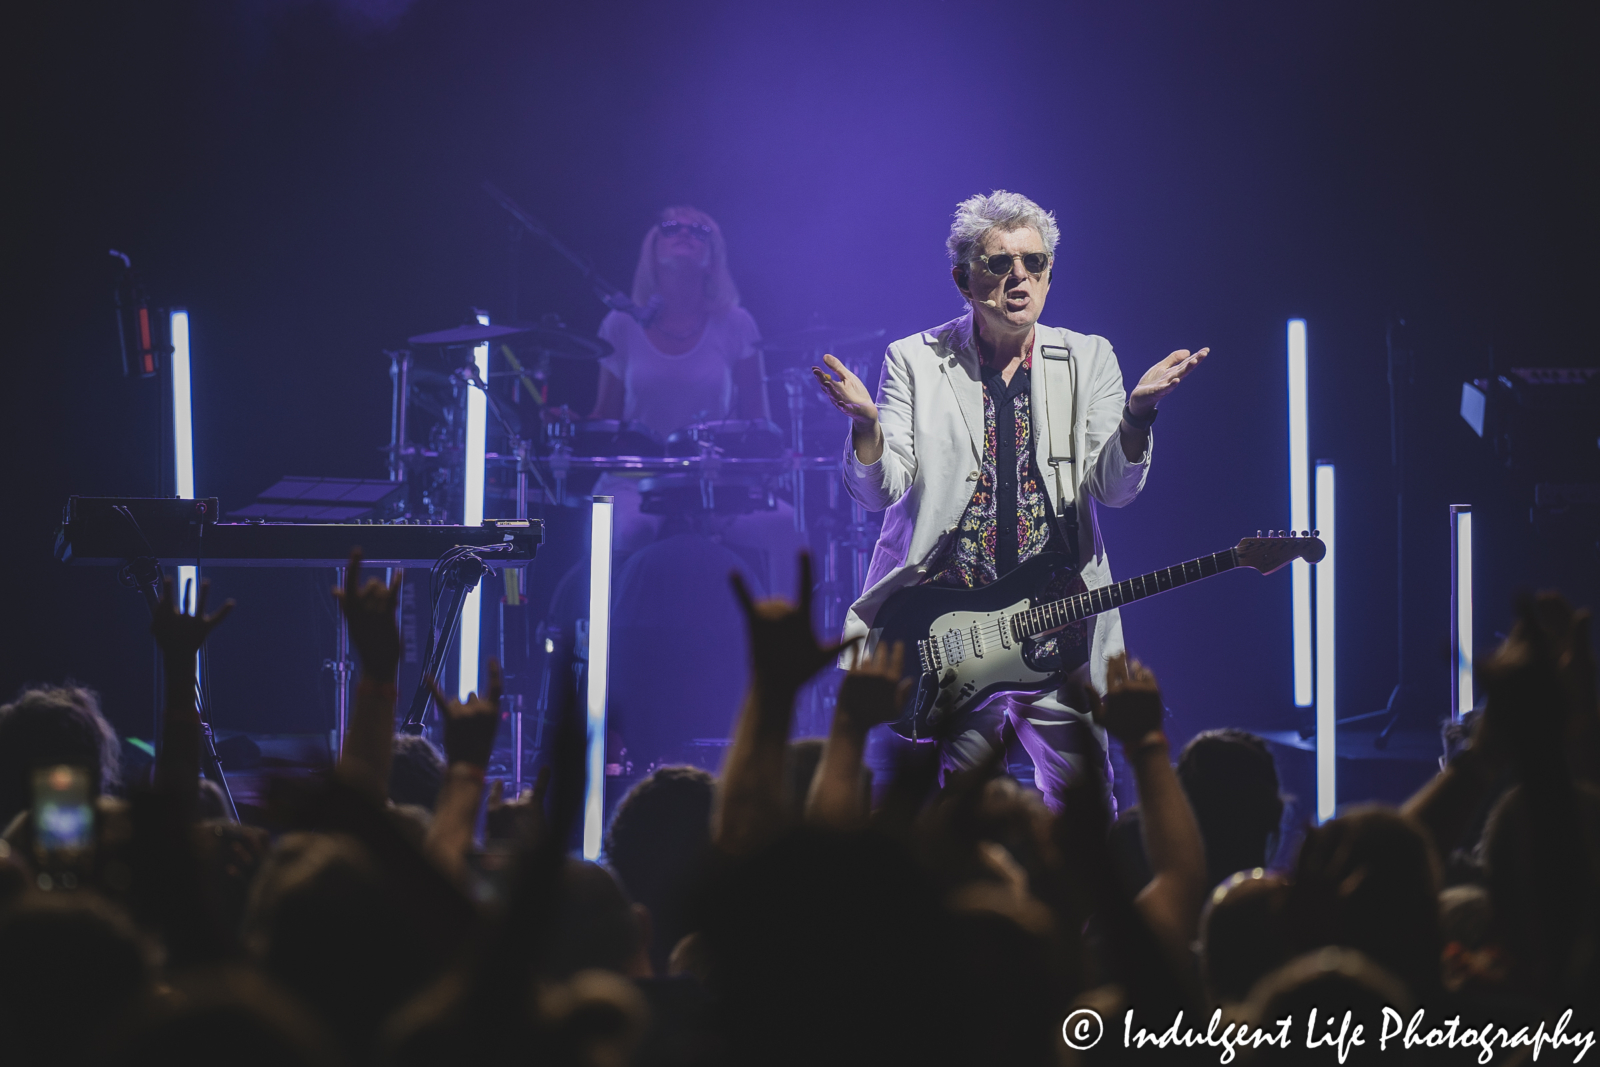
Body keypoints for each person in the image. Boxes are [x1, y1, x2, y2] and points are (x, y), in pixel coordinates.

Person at [813, 189, 1208, 800]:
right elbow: (880, 490)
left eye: (1035, 262)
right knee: (967, 814)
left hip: (1061, 625)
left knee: (1085, 808)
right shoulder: (915, 361)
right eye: (1000, 263)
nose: (1020, 276)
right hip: (955, 630)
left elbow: (1115, 490)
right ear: (964, 279)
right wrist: (866, 428)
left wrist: (1137, 416)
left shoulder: (1088, 357)